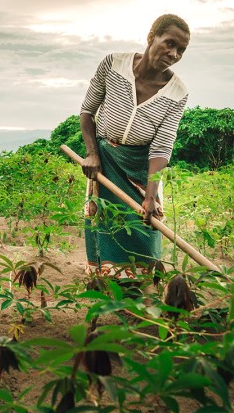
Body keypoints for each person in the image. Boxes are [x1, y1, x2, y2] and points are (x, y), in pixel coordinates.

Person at [79, 14, 190, 278]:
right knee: (105, 227)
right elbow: (87, 112)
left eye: (181, 50)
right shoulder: (113, 65)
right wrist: (92, 154)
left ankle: (143, 290)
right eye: (170, 43)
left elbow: (162, 148)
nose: (174, 54)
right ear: (152, 36)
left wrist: (150, 196)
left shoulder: (177, 92)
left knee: (144, 234)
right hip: (105, 162)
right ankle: (106, 289)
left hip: (142, 169)